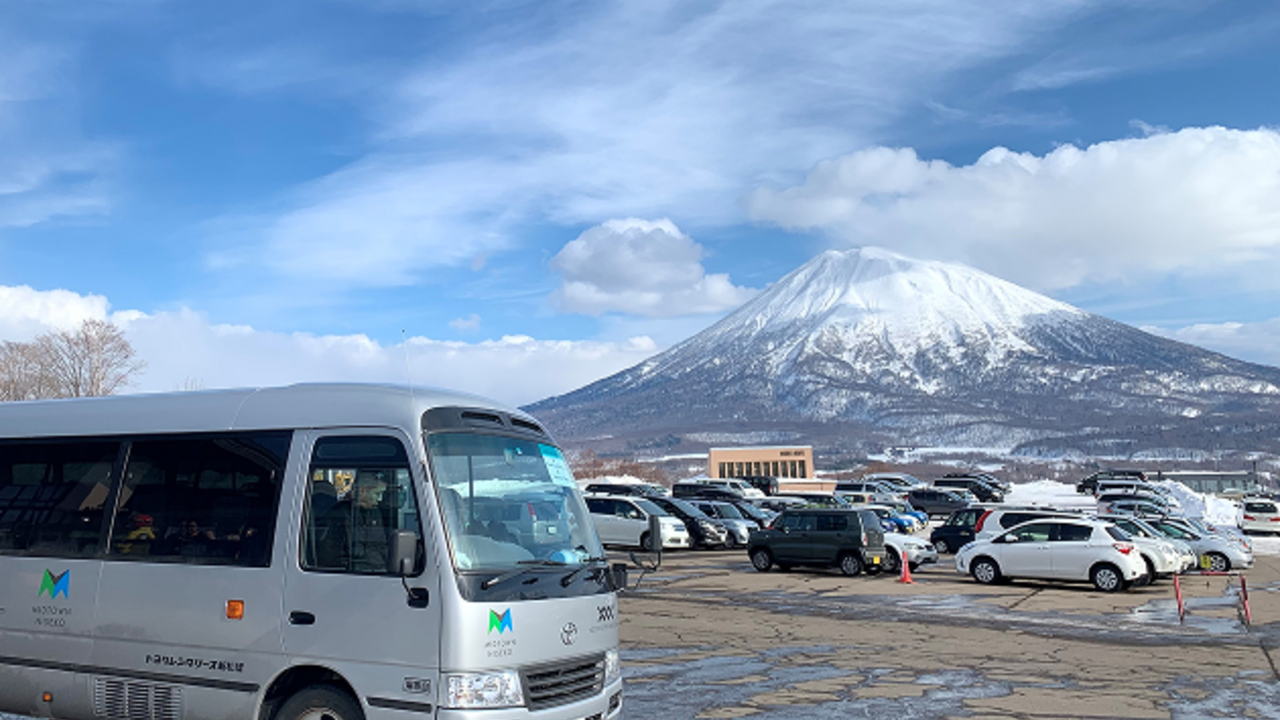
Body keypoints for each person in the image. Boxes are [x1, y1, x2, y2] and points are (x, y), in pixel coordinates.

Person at [316, 471, 390, 573]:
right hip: (351, 573)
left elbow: (381, 546)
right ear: (362, 491)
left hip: (378, 571)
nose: (380, 499)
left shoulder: (375, 513)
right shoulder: (339, 515)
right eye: (377, 494)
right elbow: (330, 555)